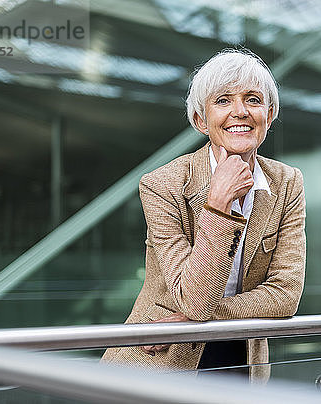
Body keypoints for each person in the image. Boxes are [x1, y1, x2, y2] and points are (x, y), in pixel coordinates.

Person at [101, 49, 306, 381]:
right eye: (223, 101)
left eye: (253, 100)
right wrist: (218, 204)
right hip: (160, 361)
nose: (240, 112)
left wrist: (205, 319)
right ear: (200, 120)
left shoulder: (288, 182)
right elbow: (195, 301)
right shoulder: (161, 185)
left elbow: (286, 295)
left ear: (269, 114)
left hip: (244, 359)